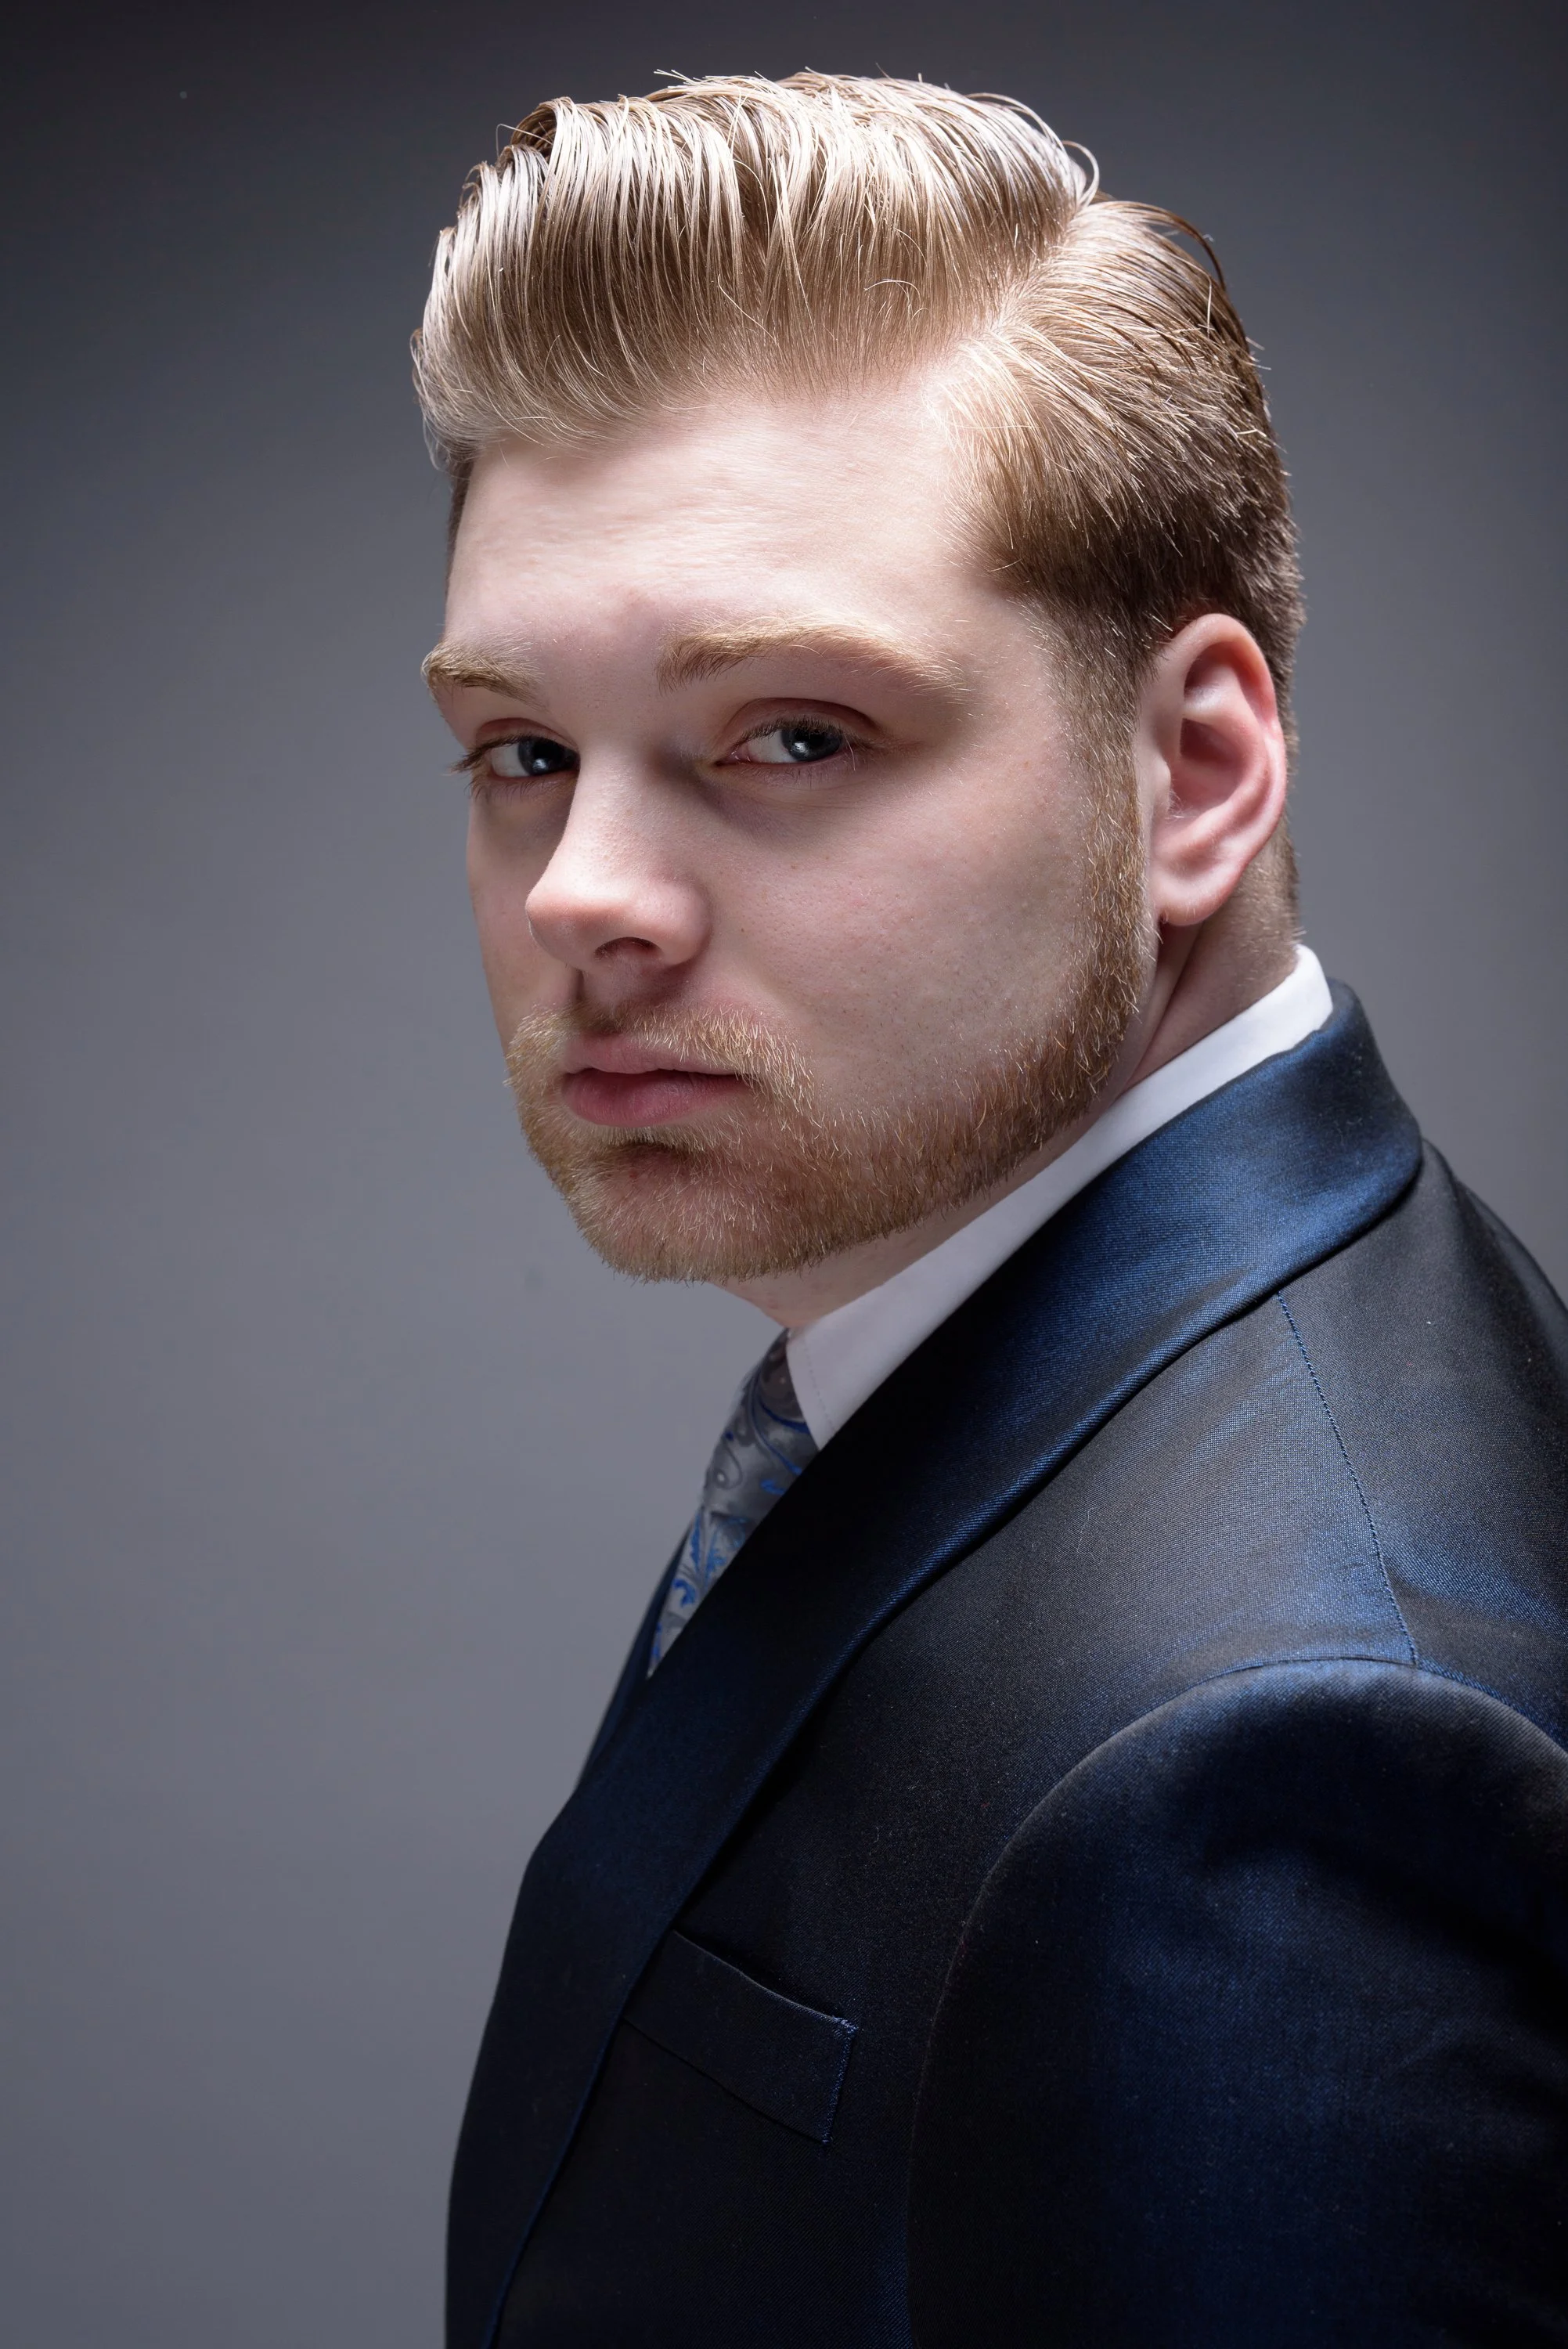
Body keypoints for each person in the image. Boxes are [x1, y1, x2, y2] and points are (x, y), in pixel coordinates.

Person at [415, 74, 1568, 2347]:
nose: (584, 895)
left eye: (794, 735)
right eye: (525, 750)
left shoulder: (1279, 1767)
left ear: (1196, 773)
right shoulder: (1053, 1331)